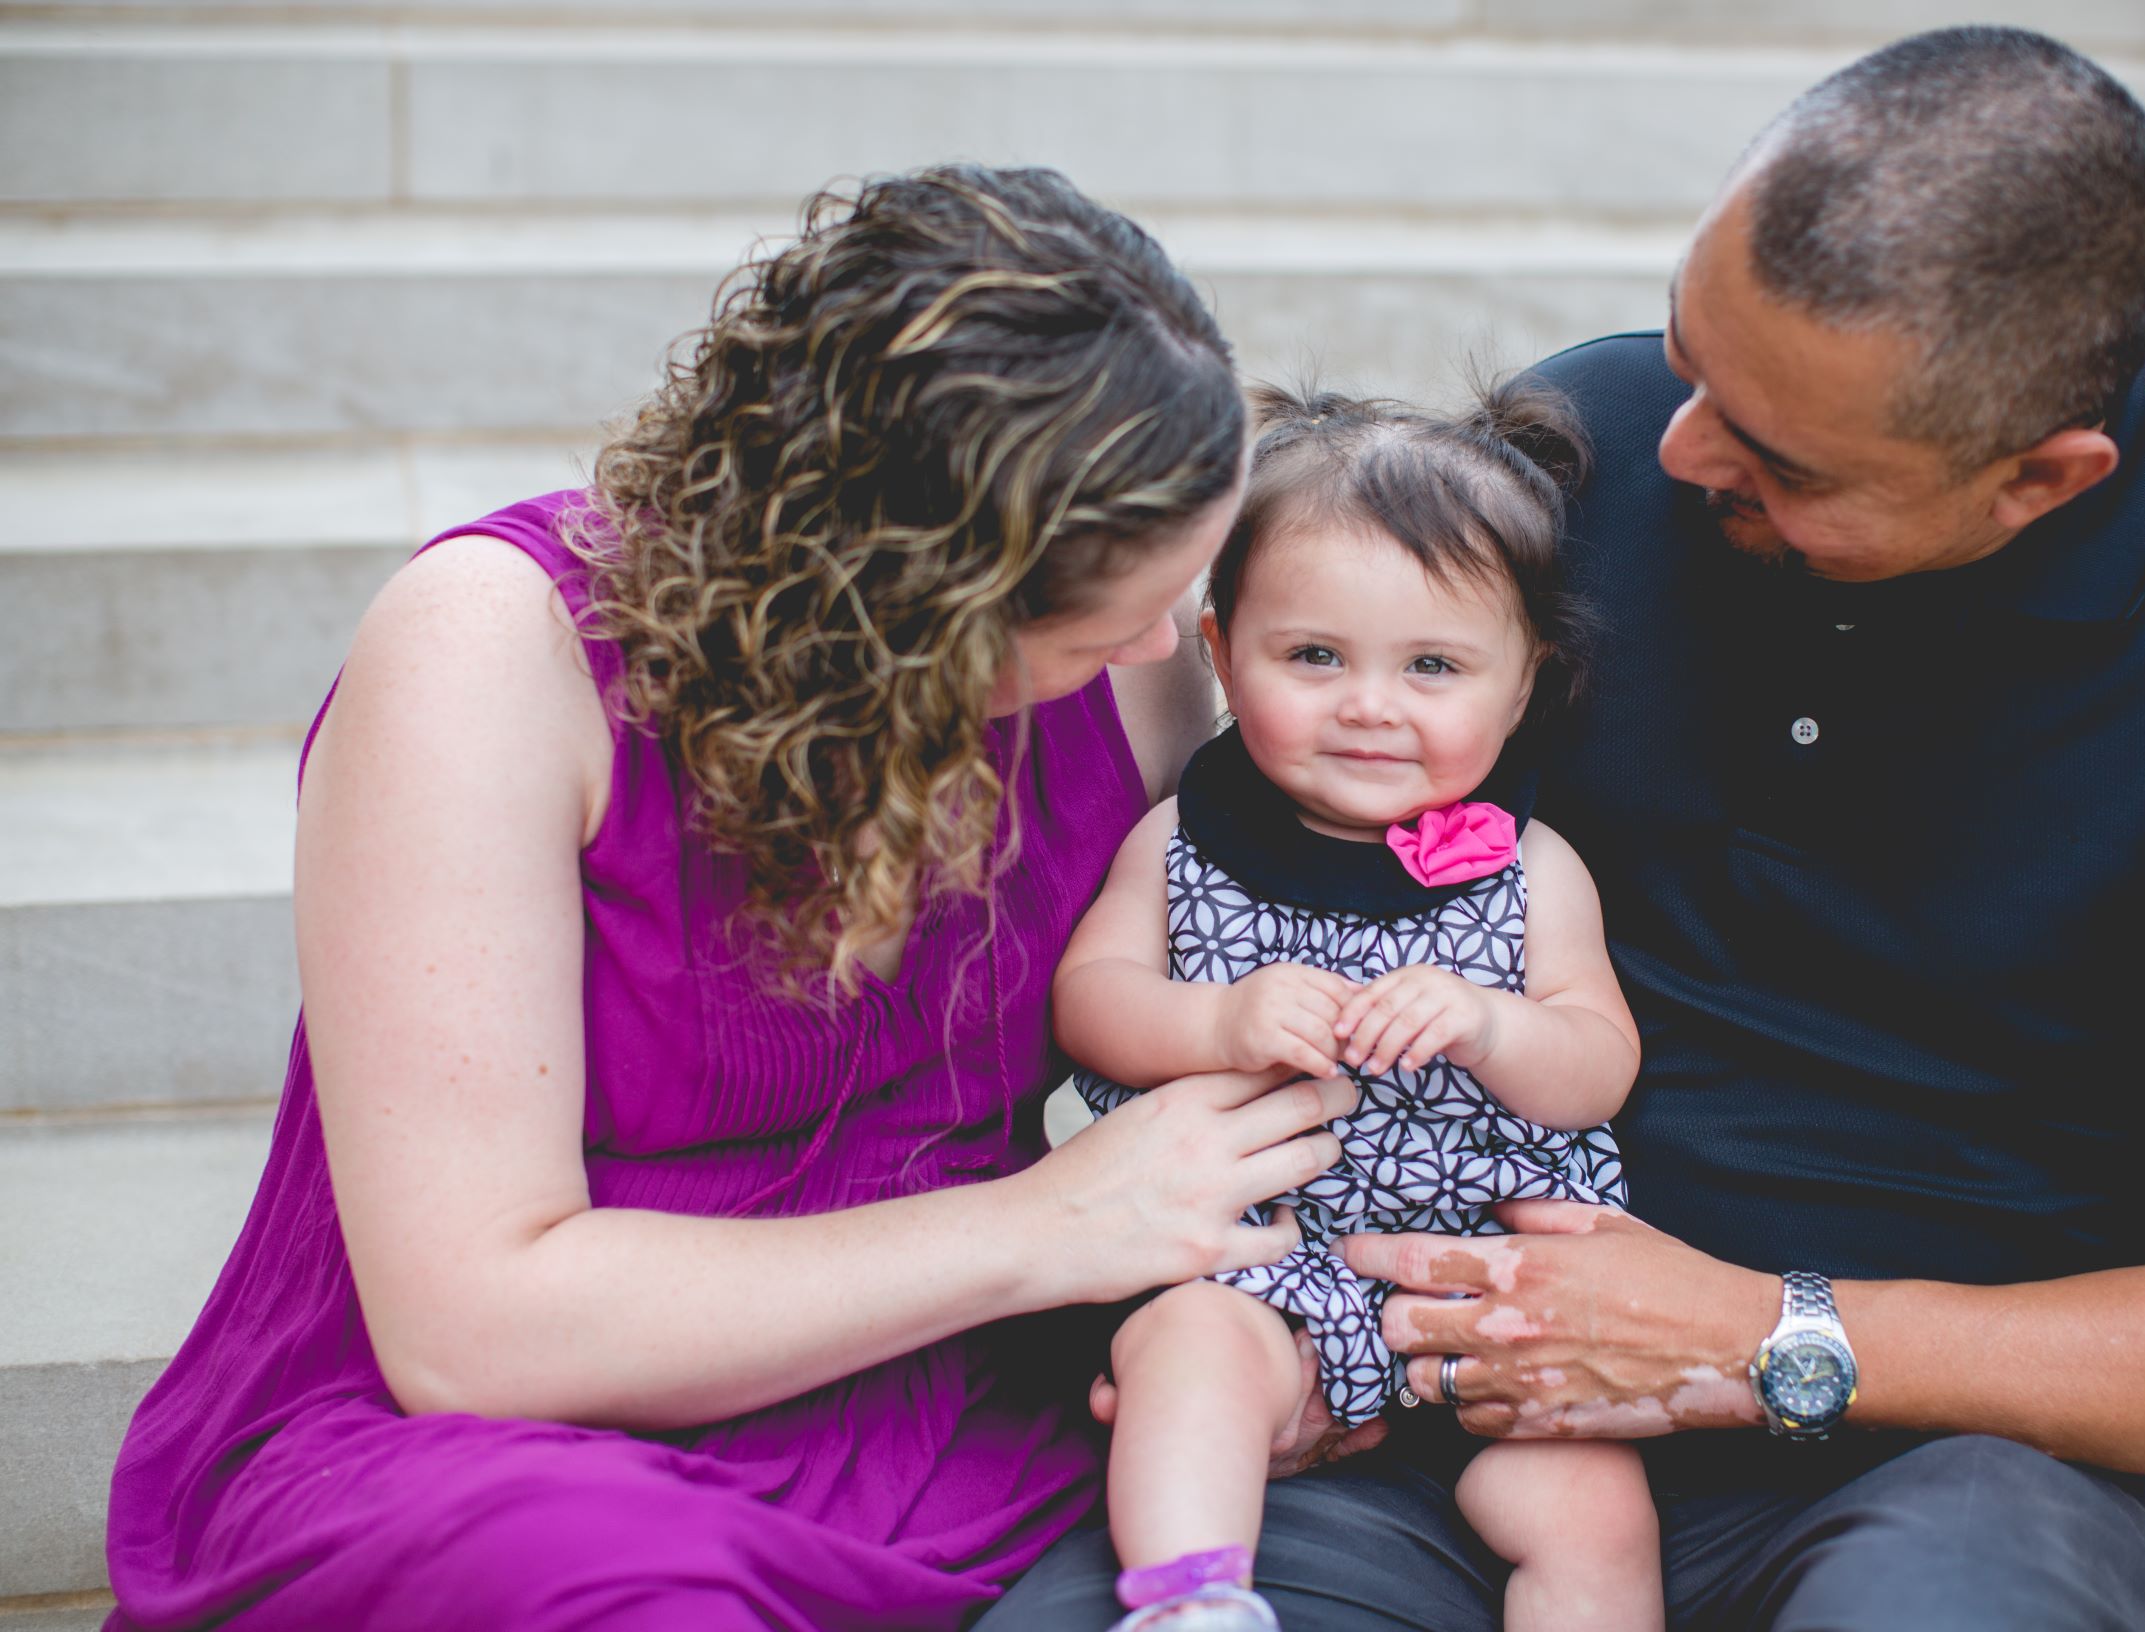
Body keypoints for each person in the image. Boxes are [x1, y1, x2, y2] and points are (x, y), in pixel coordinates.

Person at [985, 26, 2145, 1631]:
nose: (1678, 452)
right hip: (1415, 1391)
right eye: (1693, 359)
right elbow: (1268, 743)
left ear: (2039, 477)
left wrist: (1763, 1336)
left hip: (1955, 1461)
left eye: (1781, 458)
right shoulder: (1598, 445)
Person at [102, 164, 1358, 1632]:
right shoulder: (495, 654)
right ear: (907, 605)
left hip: (953, 1403)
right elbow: (476, 1333)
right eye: (1102, 618)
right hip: (507, 1442)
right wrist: (1046, 1226)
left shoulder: (1137, 677)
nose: (1173, 641)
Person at [1056, 381, 1654, 1631]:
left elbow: (1598, 1065)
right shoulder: (1182, 842)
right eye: (1313, 656)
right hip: (1265, 1268)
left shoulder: (1533, 869)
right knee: (1185, 1356)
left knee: (1593, 1506)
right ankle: (1189, 1602)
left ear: (1524, 681)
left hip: (1489, 1284)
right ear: (1221, 651)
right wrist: (1215, 1024)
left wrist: (1493, 1025)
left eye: (1432, 666)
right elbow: (1091, 1004)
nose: (1369, 704)